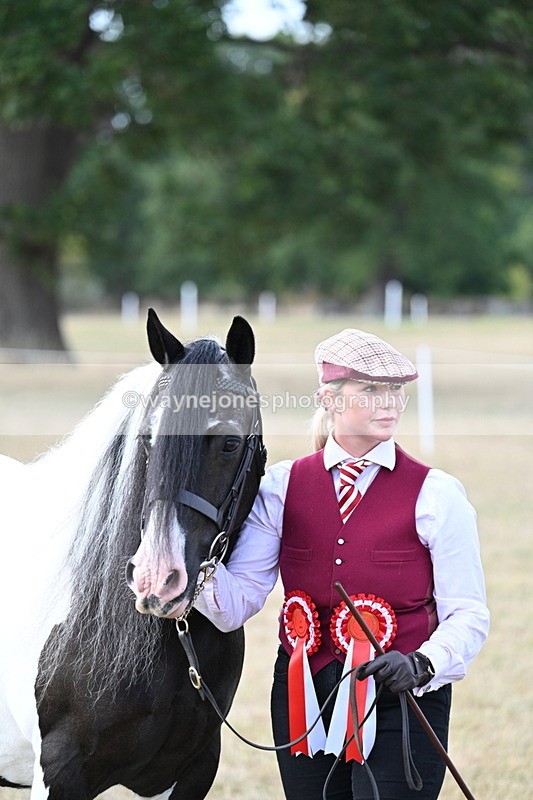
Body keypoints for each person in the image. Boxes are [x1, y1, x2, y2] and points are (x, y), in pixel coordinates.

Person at [195, 328, 489, 800]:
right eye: (370, 389)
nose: (388, 402)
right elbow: (238, 602)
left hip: (404, 701)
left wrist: (422, 663)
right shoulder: (280, 487)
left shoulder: (438, 495)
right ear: (328, 398)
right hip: (301, 696)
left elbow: (470, 614)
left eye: (395, 390)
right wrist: (188, 569)